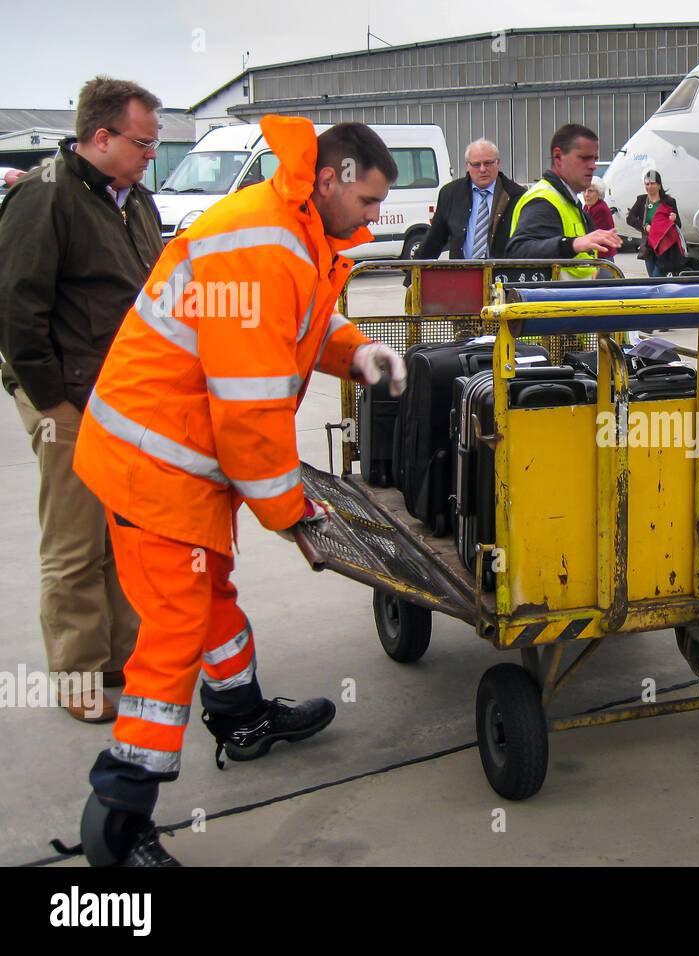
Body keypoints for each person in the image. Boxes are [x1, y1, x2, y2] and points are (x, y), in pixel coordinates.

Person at [70, 116, 409, 866]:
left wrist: (360, 351)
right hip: (154, 464)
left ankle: (242, 715)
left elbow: (299, 331)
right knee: (173, 635)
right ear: (332, 180)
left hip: (175, 460)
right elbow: (250, 408)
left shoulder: (293, 232)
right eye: (370, 202)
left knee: (207, 592)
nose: (376, 217)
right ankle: (118, 817)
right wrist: (291, 515)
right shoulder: (263, 245)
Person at [0, 77, 165, 723]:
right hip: (67, 398)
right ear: (102, 137)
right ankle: (75, 673)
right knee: (74, 542)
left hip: (124, 396)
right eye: (143, 143)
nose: (151, 153)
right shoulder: (44, 198)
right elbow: (16, 309)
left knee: (120, 533)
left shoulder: (136, 200)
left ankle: (120, 655)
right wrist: (51, 404)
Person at [506, 123, 621, 277]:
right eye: (584, 158)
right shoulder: (543, 200)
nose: (593, 166)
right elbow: (518, 251)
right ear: (558, 157)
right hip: (552, 300)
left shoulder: (568, 200)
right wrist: (573, 244)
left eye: (594, 159)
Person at [412, 138, 525, 260]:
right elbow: (433, 241)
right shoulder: (450, 194)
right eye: (476, 164)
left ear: (498, 163)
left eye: (488, 163)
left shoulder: (517, 196)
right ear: (467, 166)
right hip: (462, 275)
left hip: (501, 276)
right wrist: (412, 276)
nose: (482, 169)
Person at [625, 171, 685, 277]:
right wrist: (644, 227)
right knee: (652, 279)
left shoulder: (669, 201)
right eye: (647, 184)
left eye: (652, 183)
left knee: (656, 277)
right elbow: (630, 218)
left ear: (659, 185)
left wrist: (674, 219)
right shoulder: (641, 200)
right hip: (649, 247)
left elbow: (678, 224)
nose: (649, 186)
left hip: (665, 248)